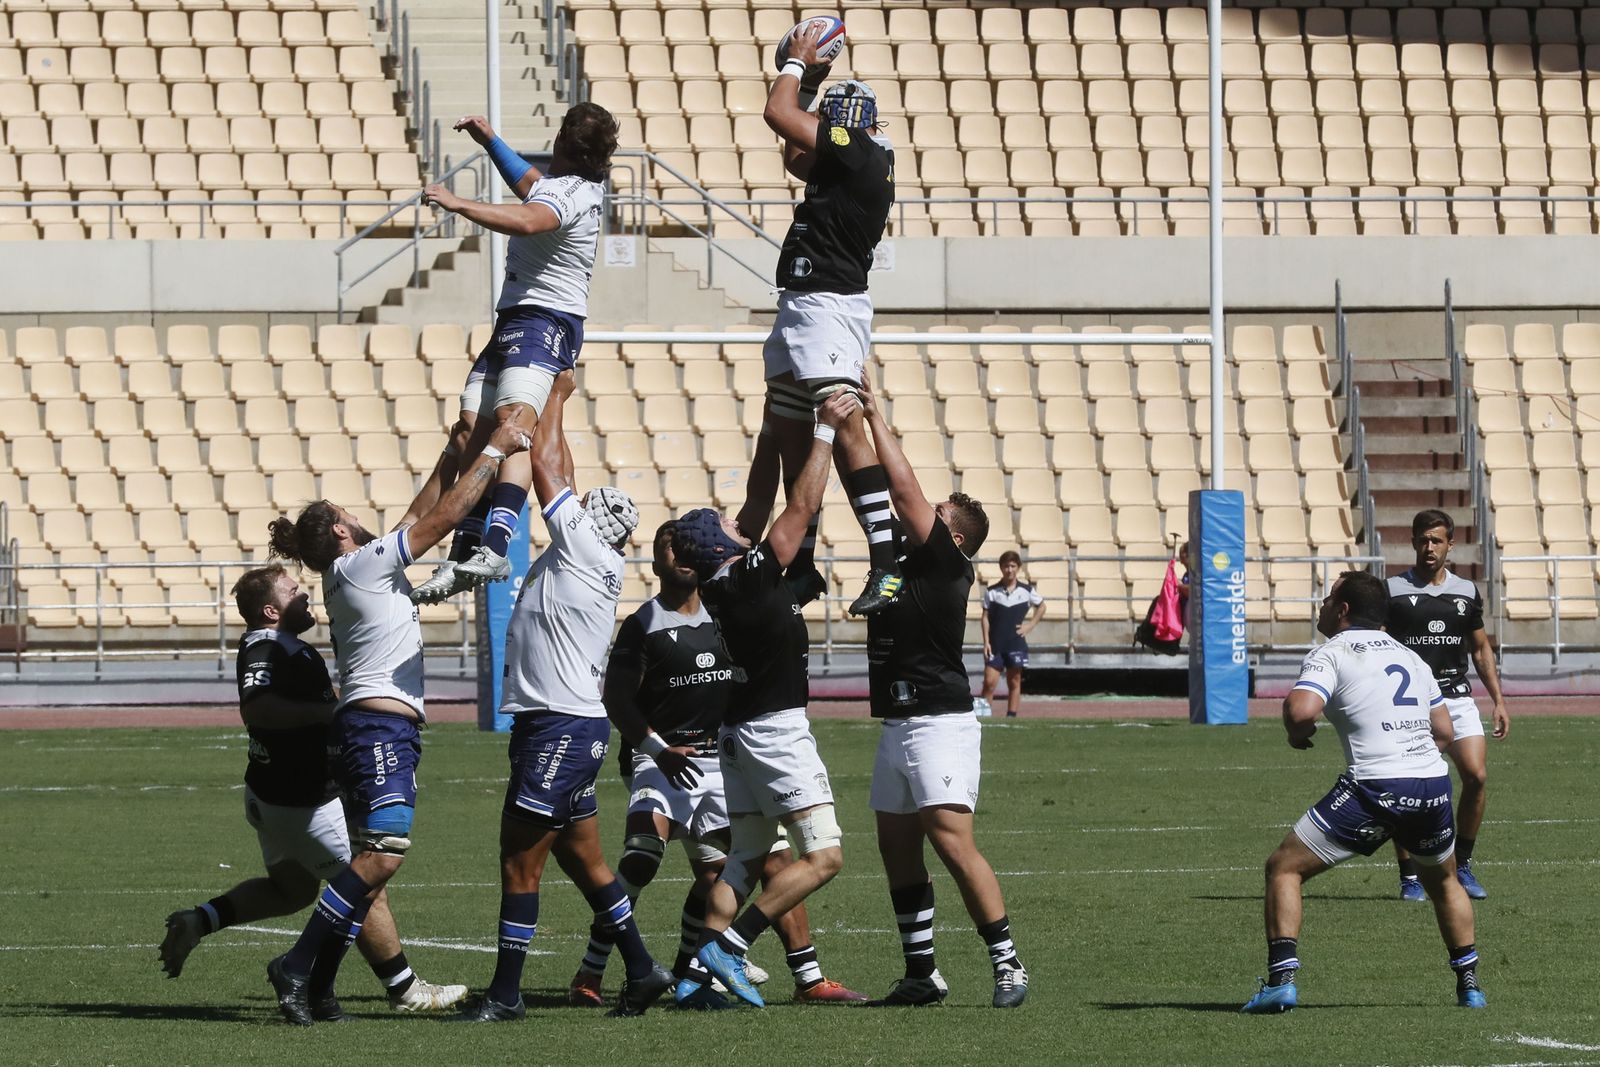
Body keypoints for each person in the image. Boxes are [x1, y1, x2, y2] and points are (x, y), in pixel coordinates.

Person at [259, 419, 531, 1025]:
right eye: (350, 514)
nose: (359, 518)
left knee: (369, 866)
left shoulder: (358, 568)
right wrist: (493, 451)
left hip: (367, 729)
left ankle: (320, 989)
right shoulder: (362, 566)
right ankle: (297, 964)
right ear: (339, 529)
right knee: (382, 855)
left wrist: (451, 455)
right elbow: (433, 524)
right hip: (378, 731)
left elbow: (419, 510)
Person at [568, 522, 864, 1007]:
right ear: (658, 562)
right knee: (642, 855)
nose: (679, 554)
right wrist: (656, 749)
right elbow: (618, 699)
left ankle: (798, 977)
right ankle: (592, 970)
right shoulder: (644, 623)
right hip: (661, 762)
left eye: (685, 545)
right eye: (669, 546)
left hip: (722, 758)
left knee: (755, 865)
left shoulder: (726, 611)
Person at [158, 565, 466, 1016]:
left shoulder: (286, 647)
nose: (303, 596)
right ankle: (404, 989)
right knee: (367, 882)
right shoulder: (266, 647)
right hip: (301, 800)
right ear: (270, 610)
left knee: (293, 891)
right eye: (292, 591)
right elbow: (259, 709)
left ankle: (199, 919)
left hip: (271, 794)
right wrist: (331, 713)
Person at [468, 370, 675, 1022]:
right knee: (584, 860)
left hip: (557, 725)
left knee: (518, 862)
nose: (574, 507)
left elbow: (553, 470)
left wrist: (554, 396)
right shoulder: (594, 551)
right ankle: (642, 970)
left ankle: (505, 994)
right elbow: (566, 473)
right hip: (566, 723)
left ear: (595, 524)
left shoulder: (582, 545)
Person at [667, 389, 859, 1008]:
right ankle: (733, 947)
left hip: (739, 734)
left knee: (745, 859)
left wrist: (773, 437)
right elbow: (802, 503)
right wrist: (825, 430)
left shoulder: (720, 584)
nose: (738, 521)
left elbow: (757, 501)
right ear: (722, 546)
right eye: (727, 525)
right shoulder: (749, 576)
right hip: (774, 730)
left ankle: (695, 980)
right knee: (825, 856)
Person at [855, 375, 1029, 1009]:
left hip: (938, 722)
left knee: (952, 841)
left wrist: (875, 414)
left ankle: (1008, 965)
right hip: (898, 722)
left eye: (931, 522)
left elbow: (903, 492)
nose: (913, 525)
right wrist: (841, 426)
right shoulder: (902, 566)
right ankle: (921, 971)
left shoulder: (949, 563)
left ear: (953, 539)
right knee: (896, 847)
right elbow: (873, 489)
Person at [1241, 571, 1486, 1014]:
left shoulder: (1330, 653)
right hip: (1431, 784)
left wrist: (1296, 733)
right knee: (1445, 881)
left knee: (1283, 868)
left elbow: (1301, 711)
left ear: (1344, 609)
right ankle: (1470, 987)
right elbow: (1445, 733)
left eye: (1327, 598)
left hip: (1376, 786)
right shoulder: (1411, 656)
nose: (1322, 606)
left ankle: (1280, 981)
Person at [407, 102, 619, 604]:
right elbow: (530, 186)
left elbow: (529, 219)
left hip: (547, 320)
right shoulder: (561, 184)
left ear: (567, 141)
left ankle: (495, 547)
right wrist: (490, 141)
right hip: (515, 319)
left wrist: (459, 204)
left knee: (512, 426)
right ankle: (466, 548)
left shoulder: (575, 193)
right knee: (468, 432)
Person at [759, 22, 900, 617]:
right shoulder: (852, 159)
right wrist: (814, 79)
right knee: (792, 433)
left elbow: (778, 113)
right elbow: (797, 154)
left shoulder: (863, 153)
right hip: (804, 304)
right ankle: (805, 564)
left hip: (826, 306)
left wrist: (797, 66)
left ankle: (887, 559)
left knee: (844, 426)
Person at [1384, 509, 1509, 902]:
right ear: (1413, 541)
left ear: (1450, 545)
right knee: (1406, 787)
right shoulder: (1392, 591)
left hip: (1455, 698)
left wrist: (1499, 700)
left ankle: (1463, 864)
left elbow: (1480, 648)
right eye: (1423, 540)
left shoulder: (1467, 592)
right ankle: (1410, 877)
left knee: (1476, 776)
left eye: (1436, 540)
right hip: (1408, 706)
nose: (1429, 547)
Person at [978, 550, 1046, 719]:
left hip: (1015, 643)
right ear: (1001, 568)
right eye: (1006, 566)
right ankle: (985, 715)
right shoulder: (992, 592)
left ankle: (1011, 716)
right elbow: (985, 617)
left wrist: (1029, 626)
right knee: (989, 682)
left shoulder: (1026, 590)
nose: (1009, 570)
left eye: (1013, 566)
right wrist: (986, 641)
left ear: (1018, 568)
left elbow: (1042, 606)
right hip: (995, 643)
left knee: (1014, 681)